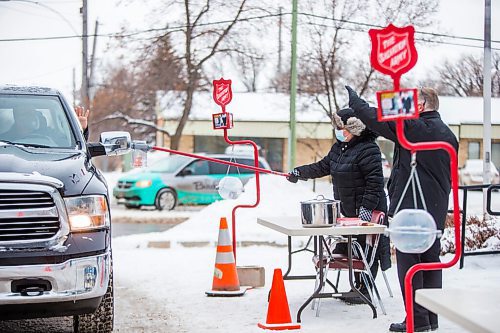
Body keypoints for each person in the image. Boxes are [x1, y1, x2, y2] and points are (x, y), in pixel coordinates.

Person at [345, 86, 459, 332]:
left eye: (412, 103)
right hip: (436, 207)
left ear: (420, 106)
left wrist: (357, 103)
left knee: (410, 263)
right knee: (430, 262)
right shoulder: (447, 133)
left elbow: (381, 120)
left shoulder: (417, 129)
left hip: (412, 209)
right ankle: (430, 318)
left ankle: (417, 321)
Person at [287, 107, 390, 303]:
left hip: (369, 210)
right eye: (337, 127)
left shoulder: (369, 149)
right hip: (348, 210)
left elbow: (375, 183)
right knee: (351, 248)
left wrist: (366, 210)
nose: (339, 132)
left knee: (367, 249)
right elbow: (323, 166)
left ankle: (364, 290)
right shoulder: (339, 149)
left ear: (355, 128)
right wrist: (299, 173)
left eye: (342, 128)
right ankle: (355, 286)